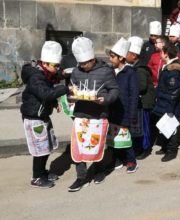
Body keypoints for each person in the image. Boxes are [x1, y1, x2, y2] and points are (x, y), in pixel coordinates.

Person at [68, 37, 119, 192]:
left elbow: (115, 90)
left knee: (98, 146)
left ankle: (100, 170)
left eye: (85, 63)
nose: (83, 66)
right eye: (80, 64)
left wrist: (106, 99)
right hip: (81, 114)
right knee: (78, 148)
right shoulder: (76, 71)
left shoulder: (106, 71)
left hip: (98, 115)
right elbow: (72, 88)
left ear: (92, 59)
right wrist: (71, 94)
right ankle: (81, 178)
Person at [21, 41, 70, 188]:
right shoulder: (37, 77)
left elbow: (45, 95)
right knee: (40, 149)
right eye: (55, 66)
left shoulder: (45, 75)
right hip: (33, 117)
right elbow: (45, 93)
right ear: (45, 64)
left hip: (41, 115)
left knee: (47, 145)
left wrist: (54, 104)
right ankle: (36, 177)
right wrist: (65, 89)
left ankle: (42, 172)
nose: (57, 69)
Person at [106, 37, 138, 173]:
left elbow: (134, 95)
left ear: (120, 58)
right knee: (113, 137)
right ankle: (117, 160)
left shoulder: (130, 73)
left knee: (125, 137)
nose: (110, 59)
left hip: (125, 111)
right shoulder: (111, 72)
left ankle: (131, 161)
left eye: (112, 57)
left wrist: (132, 115)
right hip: (112, 110)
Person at [150, 42, 180, 162]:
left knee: (173, 127)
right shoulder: (168, 67)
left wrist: (168, 107)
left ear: (166, 54)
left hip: (170, 105)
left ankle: (172, 150)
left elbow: (174, 92)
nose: (159, 54)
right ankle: (165, 147)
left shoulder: (173, 70)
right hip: (164, 103)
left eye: (161, 52)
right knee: (165, 127)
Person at [127, 36, 157, 160]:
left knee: (145, 127)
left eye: (127, 53)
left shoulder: (139, 70)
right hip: (141, 103)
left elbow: (142, 86)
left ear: (134, 55)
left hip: (145, 103)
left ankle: (146, 148)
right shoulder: (136, 67)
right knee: (139, 127)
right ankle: (140, 146)